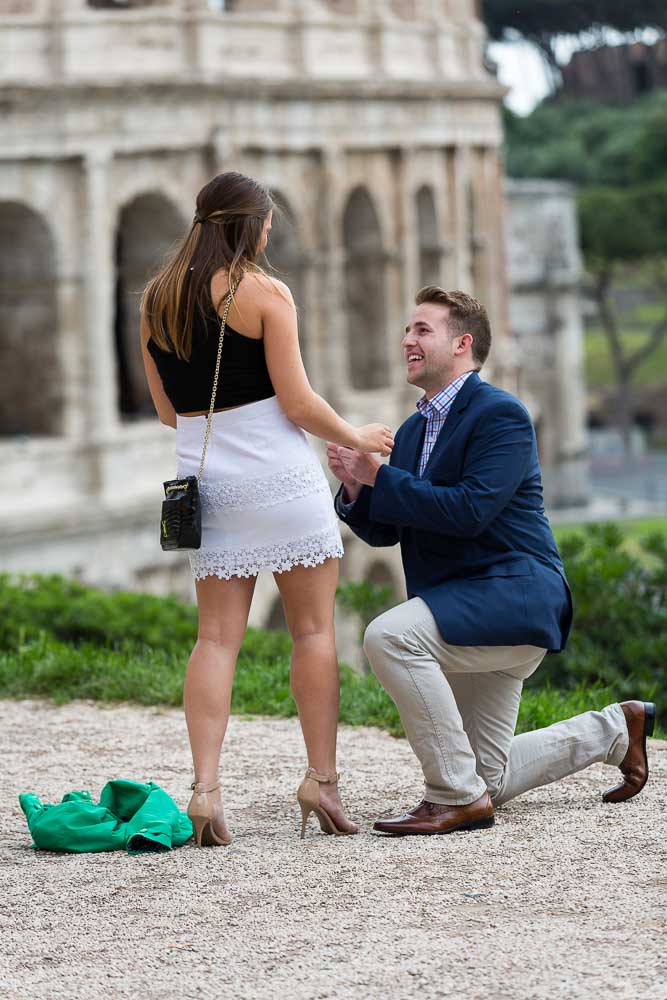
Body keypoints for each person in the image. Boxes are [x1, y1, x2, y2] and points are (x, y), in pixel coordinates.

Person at [328, 286, 655, 835]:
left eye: (422, 330)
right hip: (463, 610)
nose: (407, 339)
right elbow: (388, 529)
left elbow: (469, 511)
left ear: (462, 344)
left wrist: (380, 476)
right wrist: (356, 489)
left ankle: (453, 797)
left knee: (389, 637)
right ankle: (616, 731)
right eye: (407, 330)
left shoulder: (501, 414)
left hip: (514, 598)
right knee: (491, 777)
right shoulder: (410, 431)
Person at [139, 171, 395, 846]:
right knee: (311, 632)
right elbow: (298, 403)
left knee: (215, 638)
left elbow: (169, 412)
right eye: (268, 225)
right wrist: (357, 436)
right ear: (249, 227)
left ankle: (204, 789)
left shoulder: (155, 301)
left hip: (208, 483)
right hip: (280, 481)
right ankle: (320, 779)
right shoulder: (266, 293)